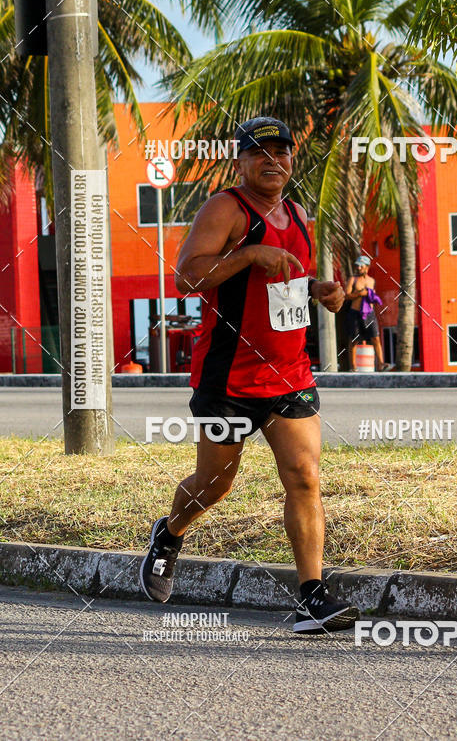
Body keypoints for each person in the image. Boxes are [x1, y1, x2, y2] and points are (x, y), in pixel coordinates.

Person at [140, 116, 360, 635]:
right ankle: (169, 534)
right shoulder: (225, 208)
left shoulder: (300, 215)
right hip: (228, 379)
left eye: (282, 152)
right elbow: (188, 276)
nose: (273, 160)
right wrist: (250, 252)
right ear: (241, 161)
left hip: (290, 373)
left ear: (291, 160)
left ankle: (311, 596)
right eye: (260, 153)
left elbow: (289, 281)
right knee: (214, 485)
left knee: (304, 477)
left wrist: (322, 291)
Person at [344, 255, 388, 371]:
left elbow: (372, 296)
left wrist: (372, 296)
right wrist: (359, 294)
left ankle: (381, 363)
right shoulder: (352, 280)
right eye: (357, 266)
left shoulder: (371, 281)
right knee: (354, 340)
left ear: (366, 267)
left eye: (360, 266)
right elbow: (346, 295)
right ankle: (353, 366)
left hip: (369, 313)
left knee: (376, 338)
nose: (358, 268)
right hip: (355, 313)